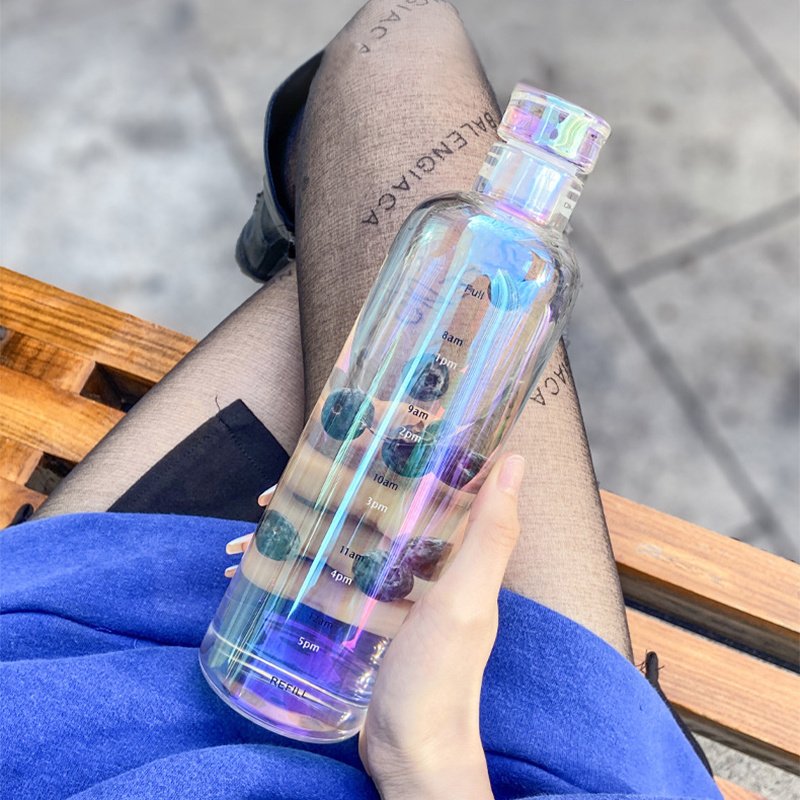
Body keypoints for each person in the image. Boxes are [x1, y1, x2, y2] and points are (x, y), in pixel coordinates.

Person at [0, 3, 720, 798]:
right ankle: (308, 215)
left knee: (400, 89)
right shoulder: (517, 262)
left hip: (74, 725)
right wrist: (424, 753)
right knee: (401, 66)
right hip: (470, 745)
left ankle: (304, 218)